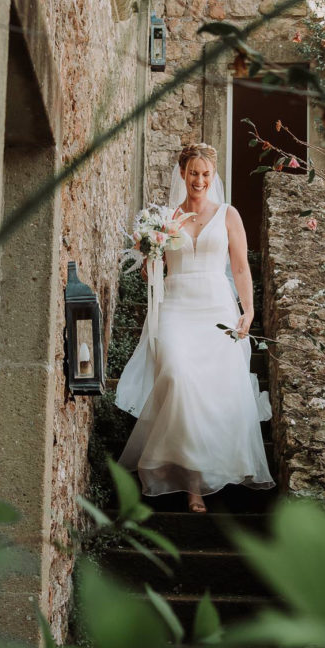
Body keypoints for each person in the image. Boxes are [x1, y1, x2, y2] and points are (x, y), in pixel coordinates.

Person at [114, 143, 274, 512]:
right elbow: (154, 270)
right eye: (192, 173)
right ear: (182, 174)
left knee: (214, 389)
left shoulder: (229, 215)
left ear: (213, 175)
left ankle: (196, 482)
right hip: (176, 308)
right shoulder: (167, 219)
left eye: (205, 174)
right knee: (178, 375)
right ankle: (185, 475)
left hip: (216, 308)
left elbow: (239, 268)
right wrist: (149, 257)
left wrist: (248, 311)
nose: (199, 180)